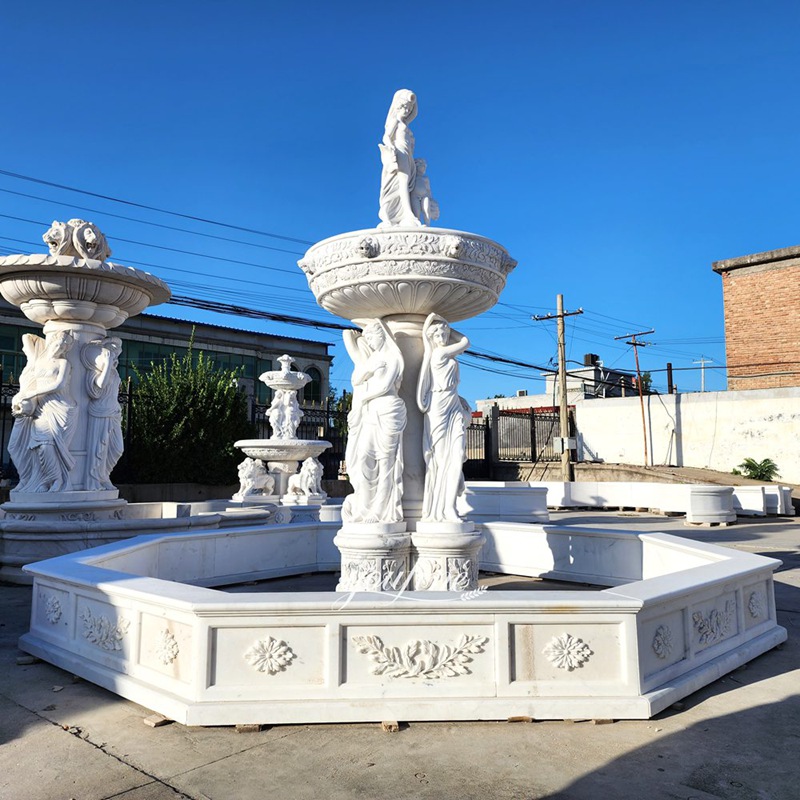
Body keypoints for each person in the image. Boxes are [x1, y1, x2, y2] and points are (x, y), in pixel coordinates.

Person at [342, 319, 406, 523]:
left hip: (389, 410)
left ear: (383, 335)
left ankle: (380, 510)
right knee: (363, 459)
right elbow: (355, 378)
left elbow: (385, 386)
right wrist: (369, 371)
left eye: (373, 336)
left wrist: (365, 393)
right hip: (371, 413)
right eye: (367, 338)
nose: (370, 341)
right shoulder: (374, 359)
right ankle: (365, 506)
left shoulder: (393, 357)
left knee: (386, 462)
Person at [416, 313, 471, 521]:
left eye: (445, 334)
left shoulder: (447, 354)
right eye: (437, 334)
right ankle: (438, 507)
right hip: (438, 407)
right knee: (440, 461)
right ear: (431, 338)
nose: (442, 337)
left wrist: (443, 325)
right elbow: (465, 341)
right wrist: (443, 323)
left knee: (456, 455)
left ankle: (449, 507)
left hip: (453, 403)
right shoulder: (439, 354)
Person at [10, 330, 76, 492]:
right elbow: (26, 337)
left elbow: (59, 385)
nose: (58, 348)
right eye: (56, 344)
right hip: (40, 408)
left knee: (47, 444)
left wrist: (32, 393)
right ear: (50, 343)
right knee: (23, 446)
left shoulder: (63, 363)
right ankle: (29, 479)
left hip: (60, 407)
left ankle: (57, 480)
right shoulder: (38, 361)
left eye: (62, 347)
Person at [82, 337, 124, 490]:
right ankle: (96, 480)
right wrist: (106, 365)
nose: (114, 353)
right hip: (100, 412)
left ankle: (104, 475)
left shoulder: (114, 372)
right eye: (111, 350)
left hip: (113, 412)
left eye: (116, 351)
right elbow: (99, 387)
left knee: (117, 448)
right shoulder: (96, 371)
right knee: (98, 449)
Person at [378, 89, 420, 228]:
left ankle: (406, 214)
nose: (407, 110)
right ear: (398, 106)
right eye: (404, 107)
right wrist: (391, 148)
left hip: (408, 155)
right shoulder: (395, 121)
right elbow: (386, 136)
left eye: (409, 108)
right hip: (399, 152)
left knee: (408, 185)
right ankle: (408, 214)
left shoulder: (406, 126)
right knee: (403, 183)